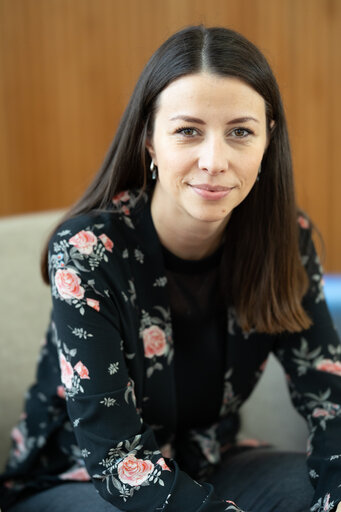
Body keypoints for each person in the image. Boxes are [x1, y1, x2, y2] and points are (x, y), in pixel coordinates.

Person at [0, 25, 340, 512]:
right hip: (79, 481)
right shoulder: (86, 251)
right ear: (150, 142)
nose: (214, 160)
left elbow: (329, 398)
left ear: (268, 144)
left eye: (241, 132)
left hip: (208, 463)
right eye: (188, 131)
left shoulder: (285, 237)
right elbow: (116, 462)